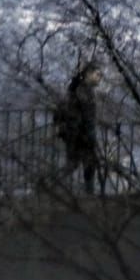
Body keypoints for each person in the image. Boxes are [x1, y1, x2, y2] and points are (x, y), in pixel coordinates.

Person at [56, 61, 104, 194]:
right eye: (97, 74)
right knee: (84, 164)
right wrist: (90, 134)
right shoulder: (84, 91)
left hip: (74, 133)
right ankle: (89, 194)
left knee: (75, 164)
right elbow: (87, 115)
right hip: (79, 134)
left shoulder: (78, 89)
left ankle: (51, 185)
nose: (100, 77)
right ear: (88, 74)